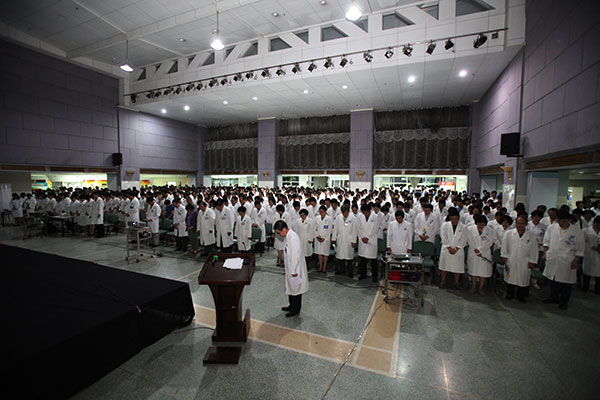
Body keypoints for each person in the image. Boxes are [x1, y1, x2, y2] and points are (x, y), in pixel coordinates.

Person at [542, 211, 585, 309]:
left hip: (567, 260)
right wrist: (545, 254)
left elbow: (580, 248)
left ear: (569, 221)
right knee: (553, 280)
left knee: (566, 283)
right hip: (553, 257)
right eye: (560, 221)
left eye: (564, 221)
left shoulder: (577, 231)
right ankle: (553, 297)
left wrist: (576, 260)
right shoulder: (552, 228)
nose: (562, 223)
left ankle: (564, 302)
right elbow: (546, 242)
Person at [274, 220, 308, 317]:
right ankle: (291, 305)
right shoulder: (287, 236)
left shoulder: (293, 238)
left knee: (296, 290)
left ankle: (295, 309)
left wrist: (293, 271)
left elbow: (295, 256)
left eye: (279, 232)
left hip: (295, 269)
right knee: (291, 288)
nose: (279, 235)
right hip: (290, 268)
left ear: (284, 229)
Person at [501, 215, 539, 302]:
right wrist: (504, 255)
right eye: (518, 223)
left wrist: (532, 261)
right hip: (511, 258)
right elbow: (504, 245)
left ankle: (521, 296)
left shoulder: (531, 236)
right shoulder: (509, 233)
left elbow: (534, 250)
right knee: (510, 277)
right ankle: (510, 294)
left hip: (525, 260)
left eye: (522, 223)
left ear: (526, 224)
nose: (520, 225)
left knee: (523, 278)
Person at [439, 208, 468, 289]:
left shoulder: (463, 227)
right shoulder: (445, 225)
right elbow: (443, 237)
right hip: (446, 248)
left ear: (458, 218)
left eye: (455, 219)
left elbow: (464, 239)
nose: (454, 221)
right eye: (452, 219)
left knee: (457, 267)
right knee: (444, 266)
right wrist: (449, 247)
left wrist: (456, 248)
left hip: (457, 250)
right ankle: (443, 280)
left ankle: (456, 282)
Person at [466, 215, 494, 294]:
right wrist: (475, 249)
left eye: (482, 224)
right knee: (474, 270)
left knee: (483, 271)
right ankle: (474, 286)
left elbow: (490, 242)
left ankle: (481, 288)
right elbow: (469, 240)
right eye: (479, 224)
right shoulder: (470, 229)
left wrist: (480, 250)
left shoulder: (490, 230)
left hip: (484, 253)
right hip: (473, 251)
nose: (480, 226)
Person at [332, 205, 357, 277]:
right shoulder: (338, 217)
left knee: (349, 257)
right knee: (340, 256)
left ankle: (350, 272)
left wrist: (354, 240)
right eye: (343, 213)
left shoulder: (353, 218)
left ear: (348, 211)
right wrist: (333, 238)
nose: (344, 214)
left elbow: (355, 230)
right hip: (340, 239)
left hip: (349, 240)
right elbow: (335, 228)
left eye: (346, 213)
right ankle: (341, 270)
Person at [357, 204, 379, 282]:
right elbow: (358, 228)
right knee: (362, 259)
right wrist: (362, 237)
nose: (365, 214)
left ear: (369, 210)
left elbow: (375, 229)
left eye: (366, 212)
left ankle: (374, 276)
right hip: (362, 240)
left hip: (371, 240)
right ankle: (363, 274)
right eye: (363, 212)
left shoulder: (375, 217)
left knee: (373, 260)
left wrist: (368, 237)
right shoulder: (360, 217)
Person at [582, 216, 600, 294]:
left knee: (598, 273)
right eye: (597, 224)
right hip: (589, 253)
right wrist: (591, 247)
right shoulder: (585, 231)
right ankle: (585, 287)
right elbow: (582, 242)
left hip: (598, 254)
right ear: (594, 223)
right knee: (587, 272)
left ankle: (597, 289)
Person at [314, 205, 333, 273]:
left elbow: (329, 230)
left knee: (325, 254)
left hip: (326, 239)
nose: (321, 213)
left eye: (322, 212)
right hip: (318, 238)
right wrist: (318, 237)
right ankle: (320, 267)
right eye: (320, 212)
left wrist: (324, 238)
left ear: (325, 211)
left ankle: (324, 268)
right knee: (319, 253)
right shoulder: (317, 218)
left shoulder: (329, 219)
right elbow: (315, 228)